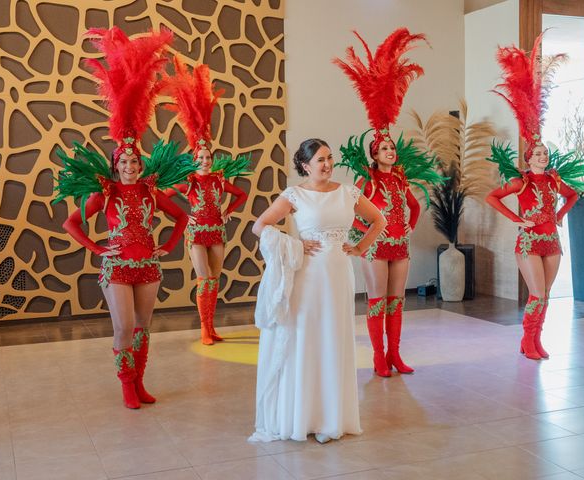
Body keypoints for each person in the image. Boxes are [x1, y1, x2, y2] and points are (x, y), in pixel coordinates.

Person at [55, 27, 192, 408]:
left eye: (135, 161)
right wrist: (96, 245)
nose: (130, 166)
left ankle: (141, 381)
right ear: (116, 166)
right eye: (124, 162)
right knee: (123, 327)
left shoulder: (151, 191)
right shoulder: (107, 193)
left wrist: (166, 244)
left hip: (148, 264)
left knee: (144, 327)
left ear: (141, 163)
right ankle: (126, 385)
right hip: (116, 266)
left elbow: (181, 217)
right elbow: (71, 222)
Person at [249, 138, 385, 443]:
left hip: (339, 273)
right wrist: (294, 244)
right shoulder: (294, 195)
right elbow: (261, 226)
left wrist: (361, 246)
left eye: (329, 158)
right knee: (308, 340)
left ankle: (332, 418)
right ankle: (304, 416)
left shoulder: (348, 192)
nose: (326, 164)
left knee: (334, 339)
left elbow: (378, 220)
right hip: (308, 277)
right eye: (320, 160)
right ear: (305, 165)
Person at [334, 28, 443, 377]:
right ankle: (379, 357)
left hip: (400, 246)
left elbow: (414, 207)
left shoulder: (399, 179)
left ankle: (395, 354)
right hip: (376, 249)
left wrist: (406, 229)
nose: (390, 152)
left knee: (398, 302)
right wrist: (367, 233)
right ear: (374, 154)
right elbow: (348, 213)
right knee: (378, 301)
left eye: (392, 148)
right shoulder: (367, 181)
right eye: (384, 149)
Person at [485, 33, 584, 360]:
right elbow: (492, 197)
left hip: (551, 240)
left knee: (545, 295)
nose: (542, 157)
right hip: (530, 241)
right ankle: (528, 341)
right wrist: (518, 219)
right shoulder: (521, 182)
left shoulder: (553, 179)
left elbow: (573, 196)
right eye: (537, 154)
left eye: (545, 154)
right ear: (528, 157)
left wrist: (560, 216)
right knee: (536, 294)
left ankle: (533, 341)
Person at [162, 57, 250, 345]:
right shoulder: (188, 181)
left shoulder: (217, 179)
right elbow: (165, 198)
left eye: (208, 157)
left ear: (212, 159)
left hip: (217, 231)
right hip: (197, 232)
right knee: (204, 278)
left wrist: (228, 211)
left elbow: (241, 194)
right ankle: (203, 328)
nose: (204, 160)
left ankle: (211, 327)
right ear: (193, 160)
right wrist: (185, 217)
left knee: (215, 280)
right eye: (200, 157)